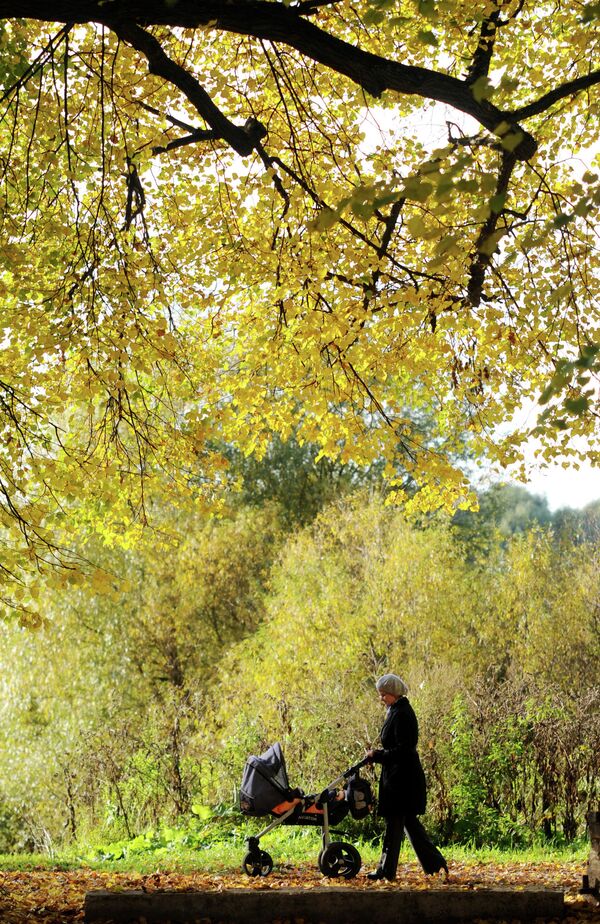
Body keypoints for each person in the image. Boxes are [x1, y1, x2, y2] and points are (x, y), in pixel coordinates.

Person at [364, 673, 448, 881]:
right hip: (399, 777)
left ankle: (386, 870)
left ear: (394, 693)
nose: (381, 698)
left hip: (402, 780)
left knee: (394, 824)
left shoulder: (402, 714)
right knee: (410, 824)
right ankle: (436, 865)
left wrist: (378, 755)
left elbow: (404, 750)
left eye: (384, 694)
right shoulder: (396, 710)